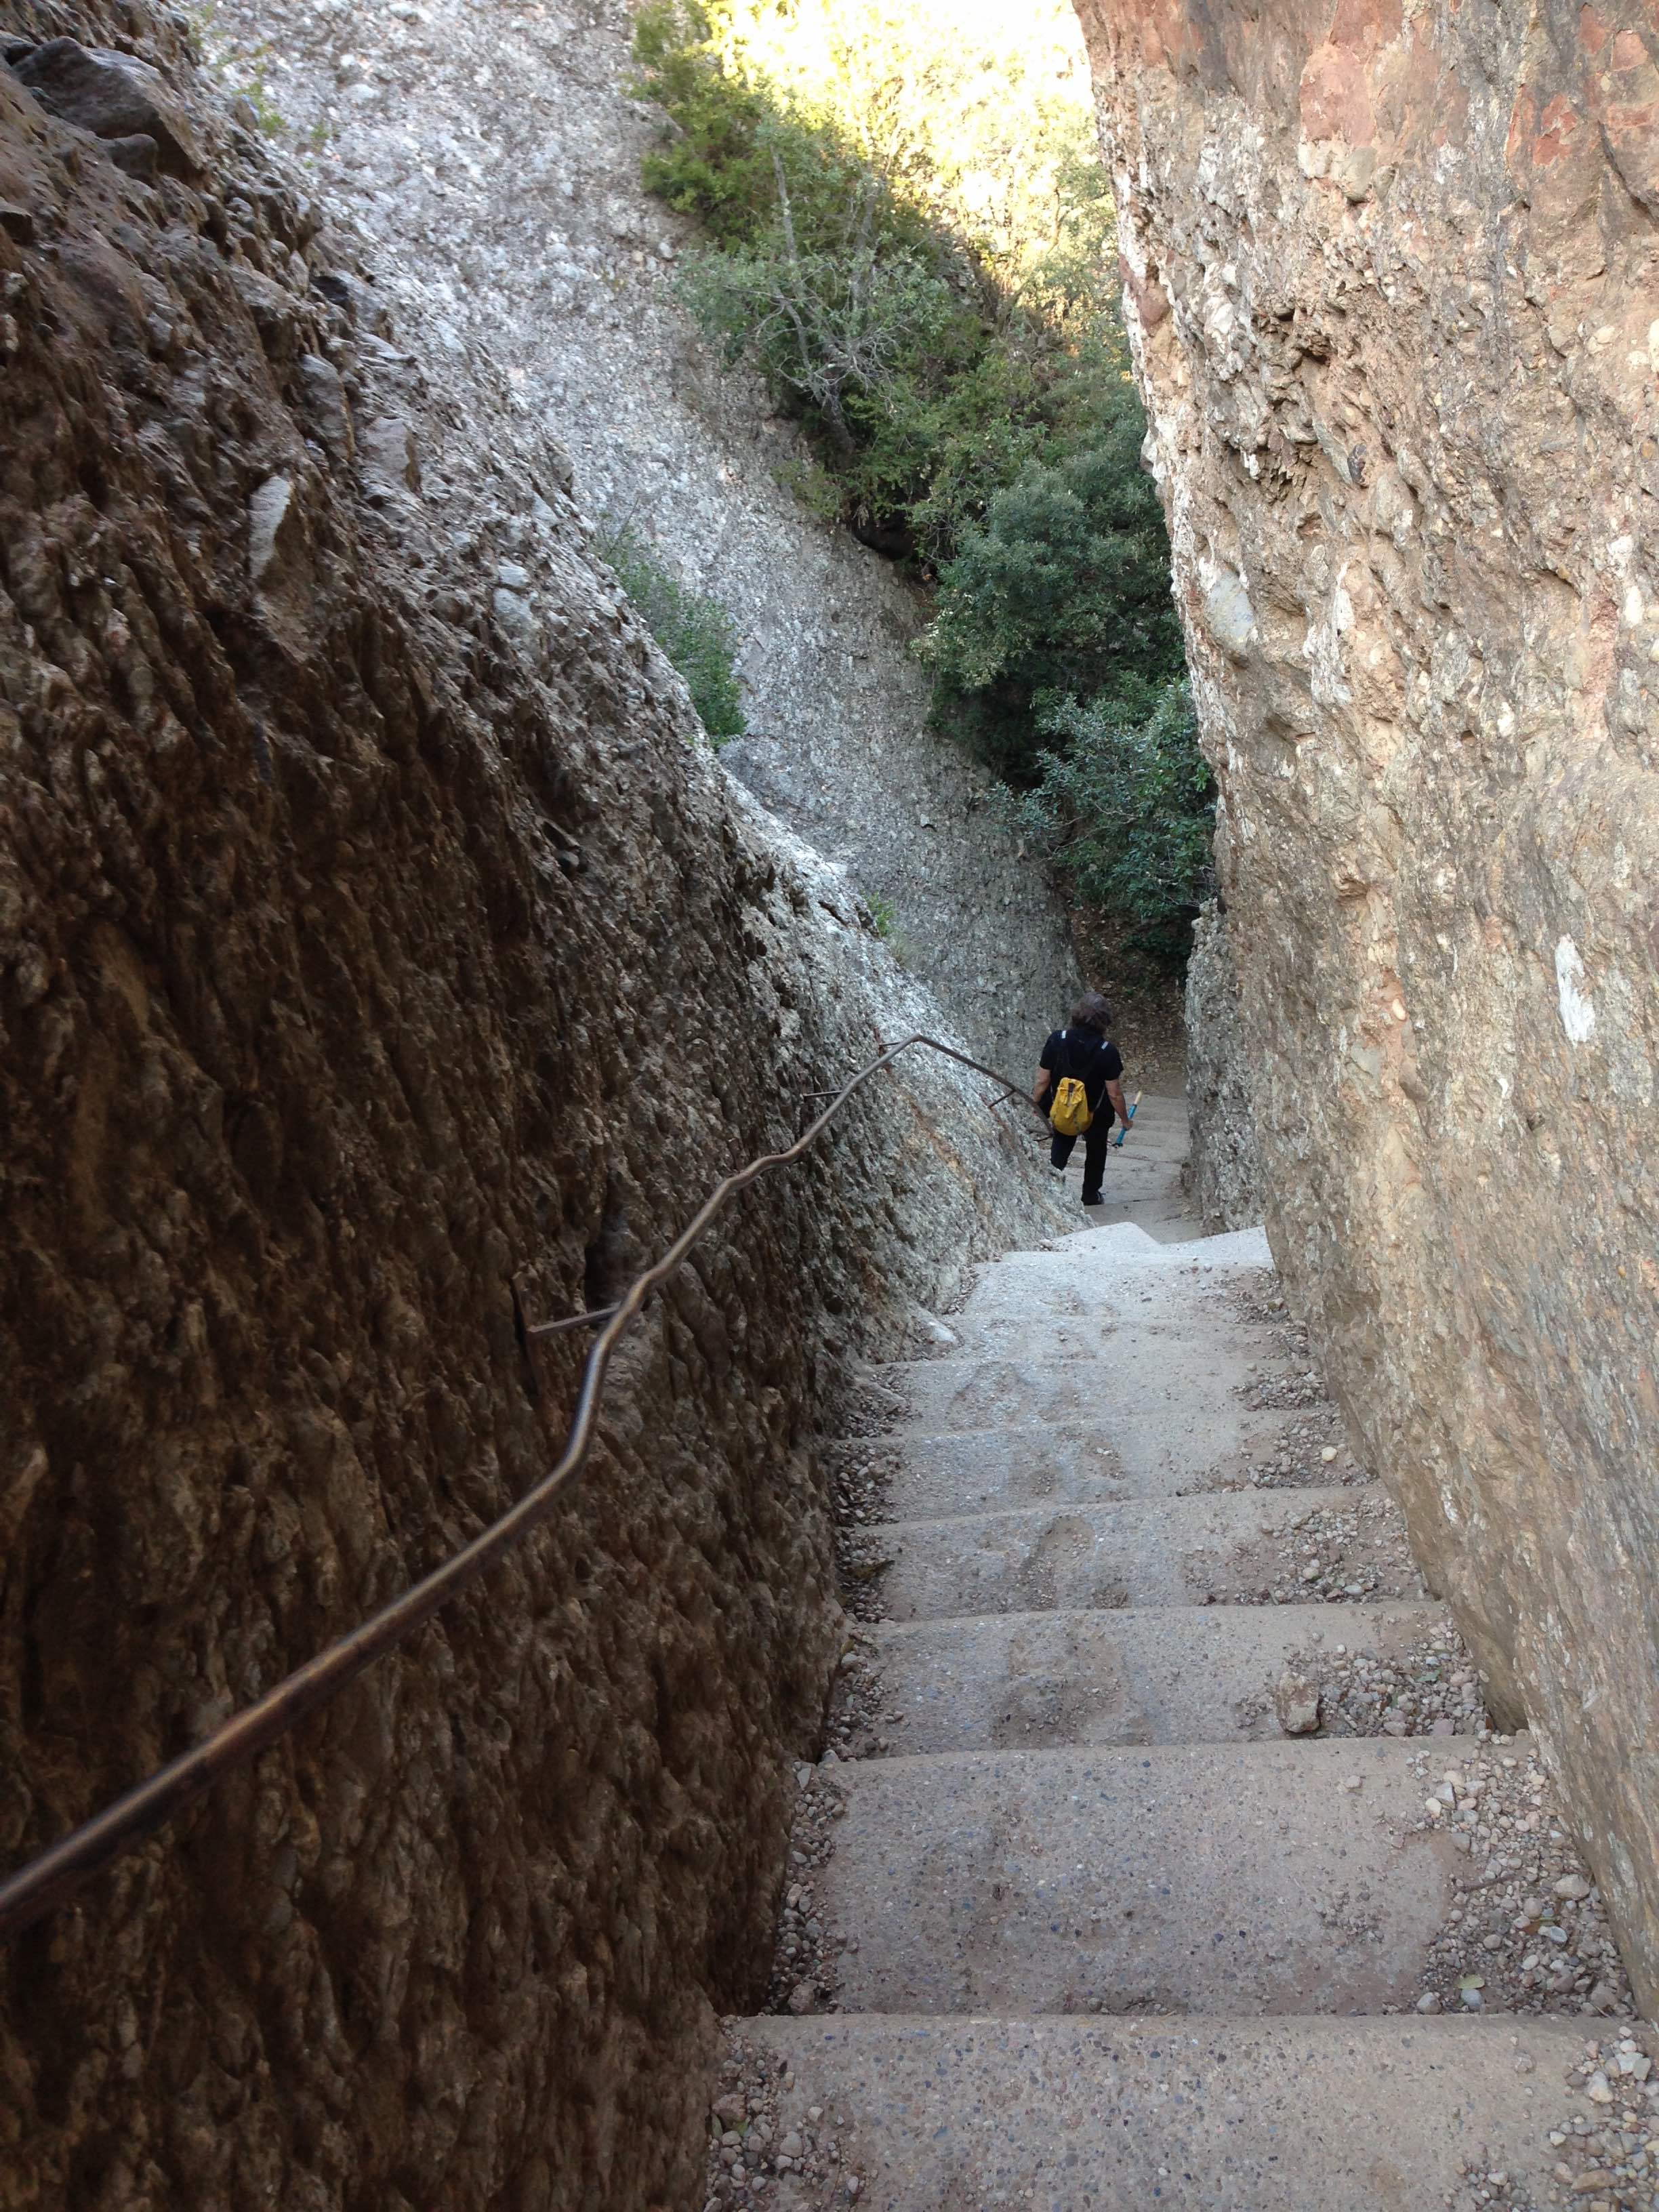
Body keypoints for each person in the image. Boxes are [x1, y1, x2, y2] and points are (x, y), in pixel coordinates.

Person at [1033, 992, 1128, 1208]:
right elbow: (1114, 1093)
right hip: (1096, 1113)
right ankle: (1090, 1194)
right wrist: (1125, 1119)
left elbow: (1042, 1079)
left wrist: (1037, 1103)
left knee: (1062, 1143)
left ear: (1076, 1014)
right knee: (1096, 1151)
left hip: (1063, 1108)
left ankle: (1050, 1185)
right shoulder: (1108, 1051)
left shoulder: (1057, 1039)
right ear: (1105, 1021)